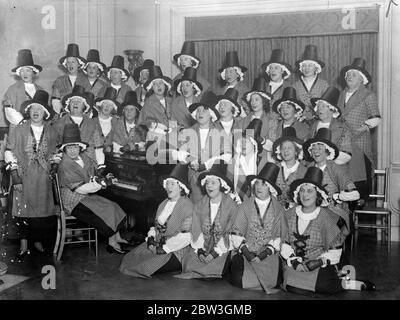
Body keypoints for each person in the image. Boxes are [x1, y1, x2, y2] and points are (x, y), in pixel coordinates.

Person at [281, 166, 375, 295]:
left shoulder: (326, 217)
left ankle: (347, 283)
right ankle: (340, 280)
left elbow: (335, 251)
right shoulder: (289, 214)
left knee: (324, 286)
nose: (305, 195)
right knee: (287, 283)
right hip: (295, 263)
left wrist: (318, 262)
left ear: (318, 195)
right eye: (302, 190)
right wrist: (295, 260)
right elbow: (284, 243)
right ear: (298, 194)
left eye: (310, 191)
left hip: (318, 264)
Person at [57, 123, 128, 254]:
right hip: (73, 201)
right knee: (106, 209)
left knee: (113, 205)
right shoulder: (64, 164)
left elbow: (92, 176)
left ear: (80, 147)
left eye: (75, 147)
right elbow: (80, 189)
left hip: (85, 197)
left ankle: (117, 237)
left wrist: (105, 178)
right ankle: (111, 243)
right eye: (69, 147)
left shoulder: (84, 157)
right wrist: (101, 184)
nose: (73, 150)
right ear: (64, 149)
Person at [5, 90, 59, 260]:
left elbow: (57, 151)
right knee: (22, 210)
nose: (36, 112)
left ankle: (37, 240)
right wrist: (15, 176)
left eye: (40, 109)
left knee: (41, 211)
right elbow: (9, 152)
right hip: (23, 175)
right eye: (33, 108)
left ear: (45, 113)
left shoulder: (51, 132)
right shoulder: (19, 130)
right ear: (29, 110)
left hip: (43, 177)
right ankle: (23, 245)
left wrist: (54, 165)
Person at [119, 164, 193, 277]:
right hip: (159, 243)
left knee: (142, 266)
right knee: (130, 258)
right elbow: (155, 227)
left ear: (181, 187)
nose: (169, 187)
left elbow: (187, 237)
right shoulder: (164, 203)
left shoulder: (187, 206)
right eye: (167, 183)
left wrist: (163, 248)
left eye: (172, 184)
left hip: (175, 251)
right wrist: (151, 239)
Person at [227, 162, 285, 292]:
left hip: (268, 253)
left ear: (270, 188)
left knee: (275, 277)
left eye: (264, 184)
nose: (259, 187)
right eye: (258, 183)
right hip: (246, 251)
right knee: (238, 278)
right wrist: (247, 253)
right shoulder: (245, 206)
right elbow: (236, 233)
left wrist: (264, 254)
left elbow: (279, 236)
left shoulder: (279, 210)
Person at [175, 163, 238, 280]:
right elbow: (195, 230)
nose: (209, 186)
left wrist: (213, 254)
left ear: (222, 185)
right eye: (207, 183)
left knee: (214, 268)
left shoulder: (232, 207)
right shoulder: (200, 205)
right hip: (204, 247)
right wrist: (199, 250)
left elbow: (230, 234)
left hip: (223, 249)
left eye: (213, 183)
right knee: (189, 263)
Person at [171, 91, 232, 203]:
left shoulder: (220, 132)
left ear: (211, 115)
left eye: (204, 110)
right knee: (197, 209)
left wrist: (207, 165)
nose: (200, 113)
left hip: (215, 179)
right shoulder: (188, 132)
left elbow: (227, 155)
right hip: (194, 180)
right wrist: (190, 159)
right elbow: (179, 152)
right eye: (198, 110)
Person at [337, 58, 381, 205]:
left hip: (359, 144)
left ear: (363, 79)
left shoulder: (368, 95)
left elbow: (375, 119)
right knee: (342, 180)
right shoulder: (341, 94)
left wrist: (359, 130)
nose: (350, 77)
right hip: (341, 143)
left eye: (354, 75)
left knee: (358, 183)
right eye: (348, 75)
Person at [303, 128, 359, 236]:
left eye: (320, 148)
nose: (316, 151)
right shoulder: (308, 168)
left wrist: (337, 197)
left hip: (334, 212)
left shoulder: (335, 168)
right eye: (313, 149)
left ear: (327, 151)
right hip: (311, 210)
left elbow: (355, 194)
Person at [53, 85, 104, 171]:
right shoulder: (59, 124)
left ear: (84, 105)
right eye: (73, 101)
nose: (75, 103)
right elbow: (55, 147)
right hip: (67, 166)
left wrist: (100, 164)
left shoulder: (92, 124)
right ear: (68, 105)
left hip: (89, 164)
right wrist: (56, 162)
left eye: (79, 101)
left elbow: (98, 146)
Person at [308, 86, 352, 167]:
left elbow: (346, 155)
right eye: (318, 107)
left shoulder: (342, 128)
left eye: (323, 106)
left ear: (332, 110)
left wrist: (325, 162)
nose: (319, 109)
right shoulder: (312, 126)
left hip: (335, 169)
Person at [2, 49, 44, 132]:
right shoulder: (13, 89)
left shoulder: (40, 90)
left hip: (37, 128)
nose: (25, 73)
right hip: (18, 128)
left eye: (27, 70)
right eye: (22, 71)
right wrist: (22, 122)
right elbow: (9, 110)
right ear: (19, 73)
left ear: (33, 72)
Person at [241, 77, 278, 168]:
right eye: (252, 100)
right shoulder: (243, 120)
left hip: (264, 160)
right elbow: (237, 142)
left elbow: (273, 147)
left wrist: (261, 140)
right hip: (245, 160)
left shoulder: (271, 120)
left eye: (257, 100)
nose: (253, 103)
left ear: (263, 101)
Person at [228, 118, 263, 201]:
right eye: (241, 142)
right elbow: (227, 184)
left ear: (254, 144)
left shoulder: (262, 162)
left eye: (246, 142)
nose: (243, 145)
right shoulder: (234, 161)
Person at [51, 43, 91, 116]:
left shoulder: (85, 80)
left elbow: (89, 100)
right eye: (68, 62)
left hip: (81, 116)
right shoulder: (59, 81)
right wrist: (59, 116)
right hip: (64, 116)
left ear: (78, 64)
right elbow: (55, 101)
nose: (70, 65)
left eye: (73, 62)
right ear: (65, 65)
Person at [272, 127, 307, 209]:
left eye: (289, 148)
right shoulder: (274, 168)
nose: (286, 151)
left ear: (296, 151)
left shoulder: (304, 171)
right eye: (283, 148)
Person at [293, 45, 329, 122]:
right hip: (299, 122)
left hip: (319, 121)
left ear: (316, 68)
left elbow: (327, 107)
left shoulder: (324, 85)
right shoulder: (295, 86)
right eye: (304, 66)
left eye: (310, 66)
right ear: (301, 68)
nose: (307, 68)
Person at [216, 51, 250, 115]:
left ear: (238, 74)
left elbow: (248, 112)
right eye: (226, 72)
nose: (228, 75)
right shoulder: (221, 90)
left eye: (231, 72)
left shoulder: (245, 90)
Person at [92, 87, 120, 153]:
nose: (107, 107)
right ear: (101, 105)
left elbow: (119, 141)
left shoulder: (116, 123)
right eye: (105, 104)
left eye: (110, 105)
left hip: (111, 158)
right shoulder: (91, 121)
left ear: (113, 108)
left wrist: (111, 147)